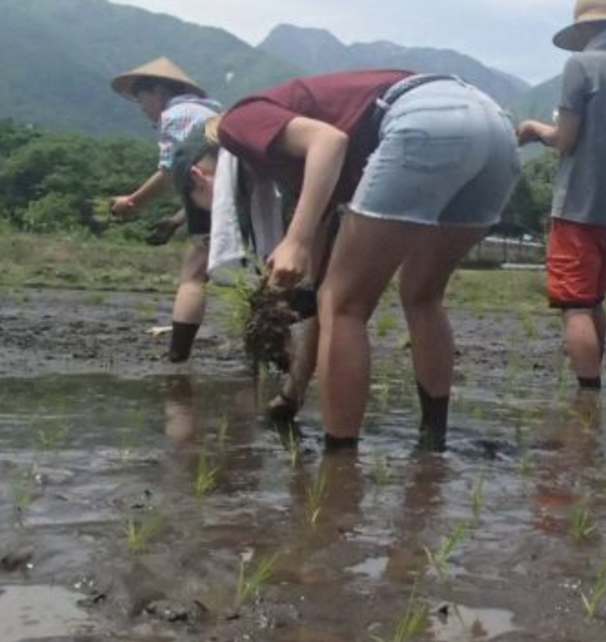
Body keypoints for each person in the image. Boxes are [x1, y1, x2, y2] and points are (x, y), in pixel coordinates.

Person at [176, 69, 520, 452]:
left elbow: (328, 140)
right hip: (496, 129)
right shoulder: (311, 174)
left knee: (346, 306)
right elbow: (321, 292)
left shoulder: (237, 123)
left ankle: (340, 461)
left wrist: (296, 238)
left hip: (426, 120)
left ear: (204, 176)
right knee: (419, 294)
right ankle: (432, 441)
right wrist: (290, 395)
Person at [516, 0, 606, 391]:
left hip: (579, 208)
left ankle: (588, 396)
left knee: (574, 306)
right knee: (593, 301)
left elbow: (564, 139)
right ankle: (592, 380)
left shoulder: (581, 65)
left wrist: (531, 129)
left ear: (587, 29)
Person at [108, 57, 222, 363]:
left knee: (194, 275)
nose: (141, 107)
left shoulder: (176, 115)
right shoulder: (211, 112)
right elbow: (208, 183)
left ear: (158, 91)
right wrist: (175, 220)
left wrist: (131, 202)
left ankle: (177, 356)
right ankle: (279, 354)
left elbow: (171, 171)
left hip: (220, 195)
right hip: (240, 193)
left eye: (141, 98)